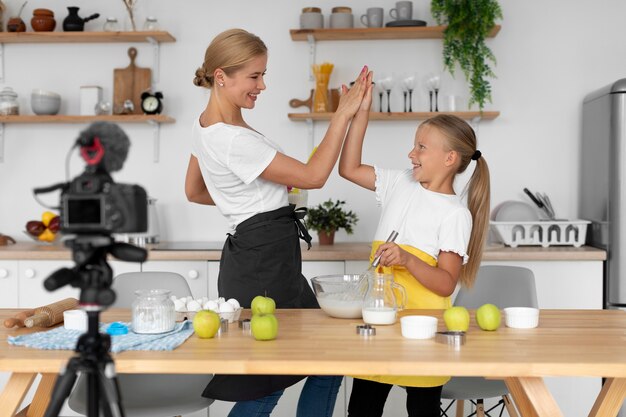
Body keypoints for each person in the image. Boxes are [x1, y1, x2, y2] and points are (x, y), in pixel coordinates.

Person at [184, 28, 373, 417]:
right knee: (265, 385)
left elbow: (196, 191)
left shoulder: (204, 126)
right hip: (262, 261)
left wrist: (248, 199)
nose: (262, 85)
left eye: (263, 75)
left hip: (263, 253)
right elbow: (314, 176)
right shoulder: (234, 140)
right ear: (222, 76)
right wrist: (343, 113)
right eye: (255, 76)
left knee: (327, 358)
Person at [338, 95, 491, 416]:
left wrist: (407, 260)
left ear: (450, 158)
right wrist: (360, 114)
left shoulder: (455, 215)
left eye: (421, 147)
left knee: (422, 410)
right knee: (362, 409)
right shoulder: (400, 183)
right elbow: (348, 169)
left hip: (423, 330)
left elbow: (446, 283)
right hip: (381, 321)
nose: (411, 153)